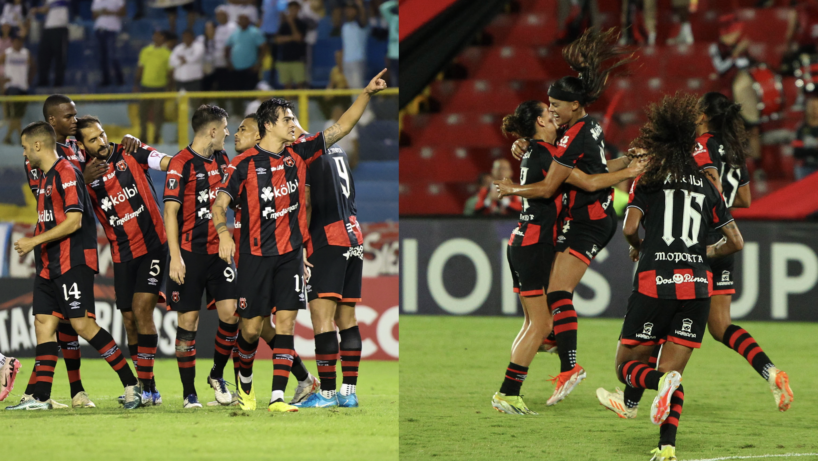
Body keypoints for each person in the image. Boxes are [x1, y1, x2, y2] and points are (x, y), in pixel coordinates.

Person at [211, 69, 387, 412]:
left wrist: (366, 94)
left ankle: (278, 397)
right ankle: (246, 384)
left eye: (293, 118)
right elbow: (219, 204)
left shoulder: (299, 153)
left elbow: (341, 127)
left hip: (290, 254)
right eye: (287, 119)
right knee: (250, 329)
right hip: (255, 255)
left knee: (286, 324)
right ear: (269, 125)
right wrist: (222, 234)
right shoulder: (243, 164)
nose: (293, 123)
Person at [502, 28, 634, 406]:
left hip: (590, 222)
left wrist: (515, 185)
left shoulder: (575, 134)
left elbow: (575, 182)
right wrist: (527, 142)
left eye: (556, 104)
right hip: (579, 221)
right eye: (548, 105)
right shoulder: (578, 128)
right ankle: (552, 341)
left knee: (558, 293)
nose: (552, 109)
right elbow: (595, 167)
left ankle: (569, 367)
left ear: (575, 106)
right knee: (552, 297)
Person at [492, 100, 645, 415]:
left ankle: (510, 390)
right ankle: (508, 392)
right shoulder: (549, 155)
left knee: (533, 323)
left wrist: (626, 160)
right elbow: (588, 181)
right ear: (540, 122)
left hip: (522, 241)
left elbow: (592, 169)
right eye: (547, 112)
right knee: (540, 324)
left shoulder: (537, 151)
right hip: (535, 243)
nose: (553, 114)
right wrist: (630, 171)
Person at [613, 94, 744, 461]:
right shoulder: (707, 185)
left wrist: (638, 246)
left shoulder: (649, 179)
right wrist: (704, 253)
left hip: (655, 283)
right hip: (697, 288)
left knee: (627, 369)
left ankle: (659, 383)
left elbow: (630, 227)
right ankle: (667, 447)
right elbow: (735, 242)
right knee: (674, 372)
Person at [8, 122, 143, 411]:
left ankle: (132, 384)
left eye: (25, 147)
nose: (24, 153)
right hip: (49, 262)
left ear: (37, 145)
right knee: (43, 324)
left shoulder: (67, 172)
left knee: (82, 325)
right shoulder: (46, 177)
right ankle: (40, 397)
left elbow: (74, 221)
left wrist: (33, 241)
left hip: (73, 260)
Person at [691, 93, 791, 412]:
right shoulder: (734, 149)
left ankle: (634, 394)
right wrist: (721, 206)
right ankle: (770, 371)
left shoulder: (701, 145)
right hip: (725, 237)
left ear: (703, 116)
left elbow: (713, 184)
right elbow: (745, 199)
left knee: (667, 315)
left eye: (696, 109)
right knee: (721, 326)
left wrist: (705, 200)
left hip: (697, 237)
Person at [73, 115, 173, 406]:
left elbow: (166, 162)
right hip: (121, 253)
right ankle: (147, 387)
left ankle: (146, 389)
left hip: (153, 245)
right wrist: (81, 180)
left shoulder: (130, 151)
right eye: (93, 139)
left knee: (142, 310)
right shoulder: (80, 174)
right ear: (82, 145)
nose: (102, 142)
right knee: (129, 320)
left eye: (102, 134)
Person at [227, 113, 320, 406]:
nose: (235, 134)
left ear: (260, 133)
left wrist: (300, 247)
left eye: (243, 129)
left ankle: (271, 394)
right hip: (246, 256)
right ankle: (303, 378)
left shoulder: (289, 160)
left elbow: (303, 204)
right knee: (253, 328)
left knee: (277, 326)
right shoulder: (234, 165)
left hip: (280, 254)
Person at [162, 104, 239, 409]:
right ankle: (189, 393)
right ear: (212, 130)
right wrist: (175, 256)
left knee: (231, 314)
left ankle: (217, 374)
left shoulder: (222, 158)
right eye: (225, 128)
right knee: (188, 322)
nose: (228, 133)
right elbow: (170, 212)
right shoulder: (180, 163)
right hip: (189, 254)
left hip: (219, 252)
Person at [292, 108, 367, 409]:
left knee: (322, 318)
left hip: (327, 239)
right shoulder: (337, 151)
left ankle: (325, 394)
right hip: (354, 235)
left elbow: (307, 202)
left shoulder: (305, 153)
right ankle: (348, 393)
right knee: (347, 319)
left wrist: (301, 244)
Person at [135, 30, 172, 145]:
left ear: (163, 37)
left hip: (160, 87)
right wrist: (136, 83)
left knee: (158, 113)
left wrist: (169, 87)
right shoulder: (145, 51)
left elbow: (170, 72)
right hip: (146, 86)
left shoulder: (167, 53)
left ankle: (157, 135)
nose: (156, 38)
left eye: (159, 36)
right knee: (143, 113)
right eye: (155, 35)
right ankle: (143, 135)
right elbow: (141, 67)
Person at [225, 13, 266, 113]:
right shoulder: (234, 33)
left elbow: (264, 47)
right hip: (236, 69)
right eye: (241, 20)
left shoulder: (255, 32)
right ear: (238, 22)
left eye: (245, 19)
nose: (242, 22)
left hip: (251, 68)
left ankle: (252, 113)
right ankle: (237, 113)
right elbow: (227, 47)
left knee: (251, 92)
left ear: (249, 21)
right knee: (236, 92)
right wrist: (228, 62)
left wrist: (258, 63)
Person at [1, 32, 33, 145]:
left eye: (19, 41)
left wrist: (29, 80)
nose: (17, 43)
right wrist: (2, 80)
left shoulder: (25, 53)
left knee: (17, 115)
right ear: (12, 42)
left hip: (23, 87)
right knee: (15, 114)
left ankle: (8, 137)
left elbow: (33, 67)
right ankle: (20, 138)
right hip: (11, 87)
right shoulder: (7, 53)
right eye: (15, 41)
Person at [91, 0, 125, 87]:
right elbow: (94, 15)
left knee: (113, 55)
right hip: (99, 30)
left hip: (112, 30)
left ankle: (119, 79)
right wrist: (102, 12)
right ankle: (105, 79)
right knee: (102, 57)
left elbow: (123, 12)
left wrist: (109, 12)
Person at [276, 1, 307, 89]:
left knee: (300, 84)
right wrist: (291, 38)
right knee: (287, 86)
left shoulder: (302, 24)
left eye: (294, 9)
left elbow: (299, 38)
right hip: (284, 59)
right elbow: (277, 39)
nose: (292, 11)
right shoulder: (284, 25)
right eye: (290, 9)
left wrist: (292, 23)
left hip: (298, 59)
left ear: (298, 10)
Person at [170, 29, 205, 97]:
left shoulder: (199, 46)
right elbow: (172, 61)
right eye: (184, 37)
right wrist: (181, 61)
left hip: (194, 80)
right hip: (179, 80)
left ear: (192, 38)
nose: (185, 39)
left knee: (194, 100)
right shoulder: (178, 48)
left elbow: (195, 58)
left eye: (187, 37)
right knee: (180, 100)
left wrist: (184, 59)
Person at [341, 0, 368, 89]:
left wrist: (360, 6)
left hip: (357, 60)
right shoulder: (344, 25)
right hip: (346, 61)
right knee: (351, 88)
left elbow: (363, 19)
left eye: (351, 9)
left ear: (356, 11)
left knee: (357, 87)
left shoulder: (361, 25)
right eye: (347, 9)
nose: (348, 11)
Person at [792, 91, 818, 180]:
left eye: (816, 107)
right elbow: (797, 152)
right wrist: (814, 149)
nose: (814, 110)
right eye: (811, 107)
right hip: (806, 168)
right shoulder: (801, 128)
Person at [379, 0, 397, 87]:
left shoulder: (409, 17)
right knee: (394, 81)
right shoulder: (393, 18)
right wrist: (396, 2)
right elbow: (383, 8)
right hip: (393, 55)